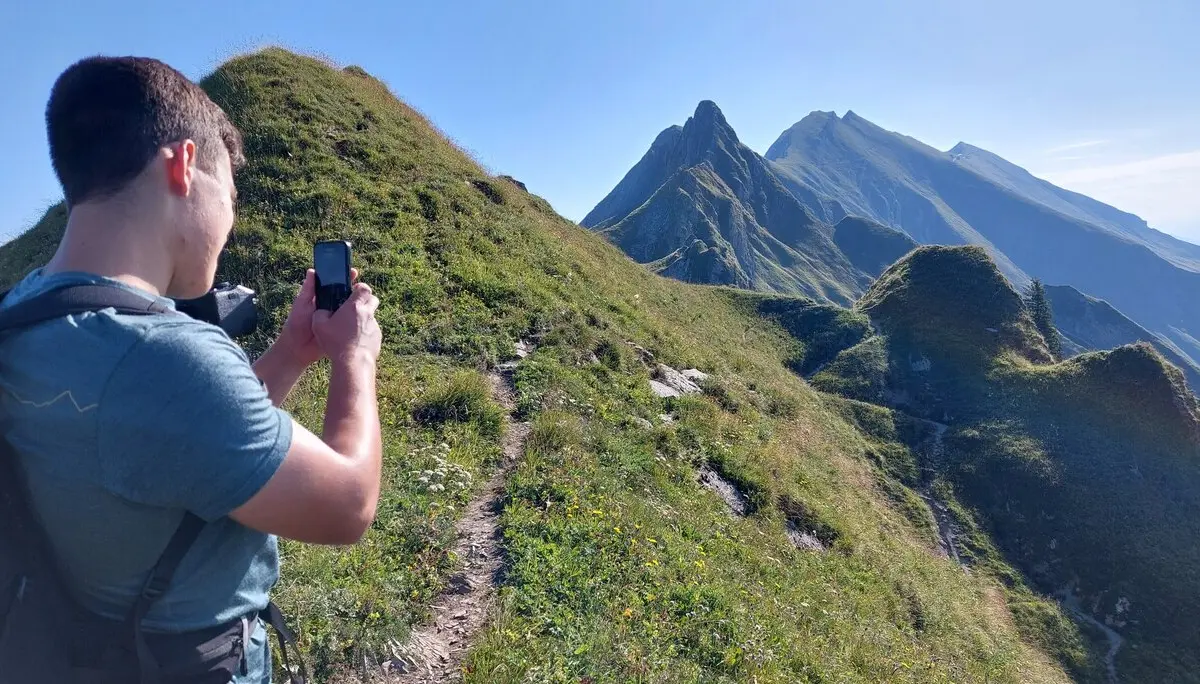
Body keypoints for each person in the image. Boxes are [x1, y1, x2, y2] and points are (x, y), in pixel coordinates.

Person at [0, 56, 383, 682]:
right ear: (182, 167)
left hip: (75, 649)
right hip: (189, 662)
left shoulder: (21, 316)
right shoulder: (165, 356)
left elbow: (178, 438)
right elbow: (348, 505)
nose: (229, 225)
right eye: (228, 195)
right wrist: (354, 358)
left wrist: (289, 353)